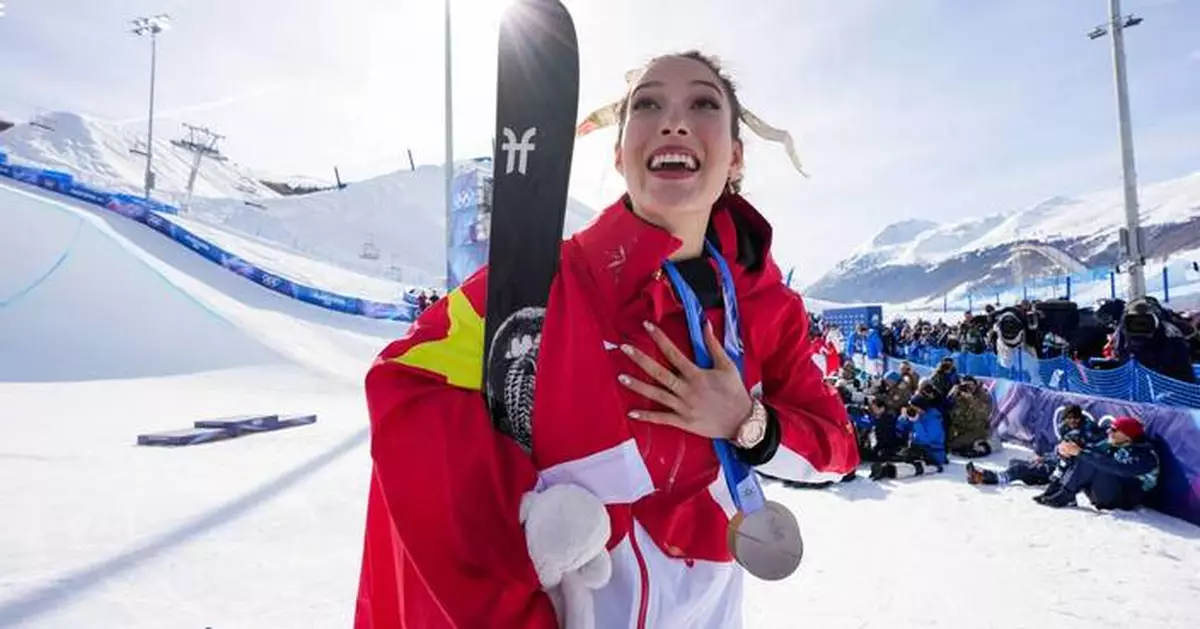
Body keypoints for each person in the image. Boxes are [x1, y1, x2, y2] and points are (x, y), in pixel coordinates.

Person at [354, 51, 860, 629]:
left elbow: (836, 450)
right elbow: (405, 382)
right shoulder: (546, 284)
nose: (674, 121)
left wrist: (748, 422)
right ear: (620, 154)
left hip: (714, 607)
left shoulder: (768, 309)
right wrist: (518, 512)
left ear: (736, 155)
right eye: (647, 105)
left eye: (702, 103)